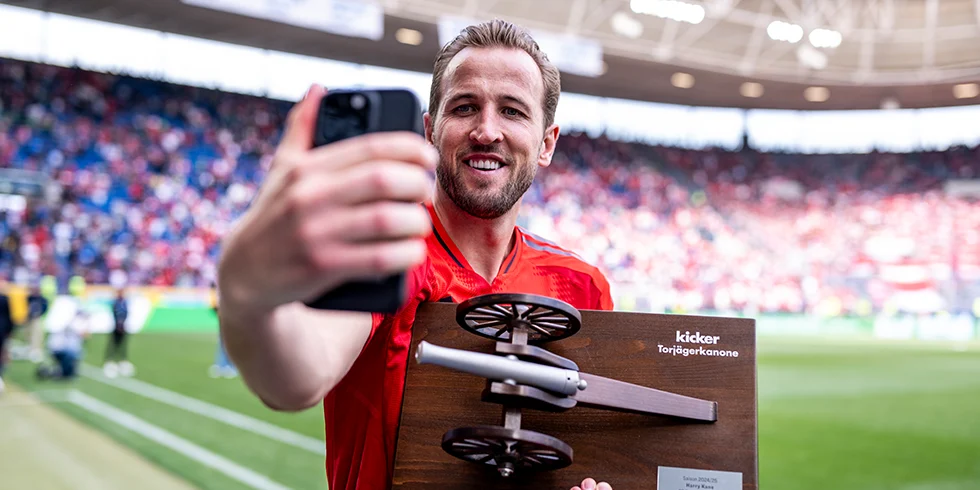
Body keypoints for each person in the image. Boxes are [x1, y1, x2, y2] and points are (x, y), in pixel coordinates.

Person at [217, 20, 613, 490]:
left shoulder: (582, 285)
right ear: (430, 128)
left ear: (546, 142)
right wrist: (245, 290)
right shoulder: (384, 252)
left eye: (512, 111)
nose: (486, 131)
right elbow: (296, 378)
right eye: (465, 107)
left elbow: (590, 450)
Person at [103, 287, 134, 378]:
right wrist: (118, 323)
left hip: (123, 327)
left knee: (123, 344)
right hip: (116, 327)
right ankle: (110, 359)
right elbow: (115, 312)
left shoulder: (124, 302)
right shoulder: (116, 302)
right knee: (113, 344)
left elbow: (126, 313)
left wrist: (123, 323)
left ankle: (122, 359)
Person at [0, 278, 15, 394]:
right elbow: (10, 318)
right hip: (3, 330)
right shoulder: (6, 299)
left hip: (3, 330)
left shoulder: (6, 299)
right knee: (2, 353)